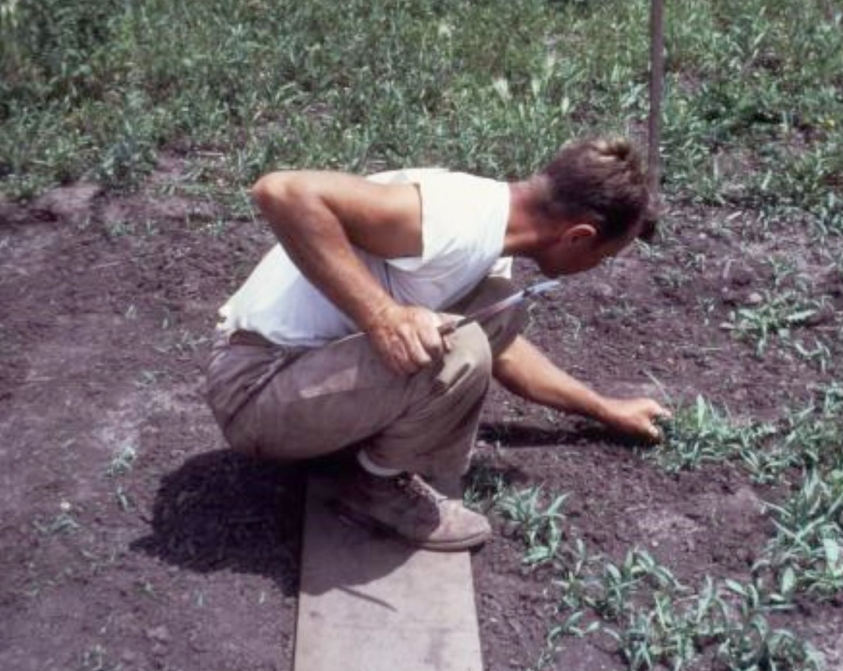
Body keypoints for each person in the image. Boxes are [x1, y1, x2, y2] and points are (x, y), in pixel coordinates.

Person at [204, 137, 670, 552]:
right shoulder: (456, 221)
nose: (597, 267)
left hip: (301, 375)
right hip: (256, 390)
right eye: (604, 257)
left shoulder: (494, 229)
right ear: (578, 236)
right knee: (459, 347)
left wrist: (604, 409)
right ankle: (373, 488)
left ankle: (364, 447)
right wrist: (382, 316)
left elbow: (503, 353)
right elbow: (283, 191)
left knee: (499, 308)